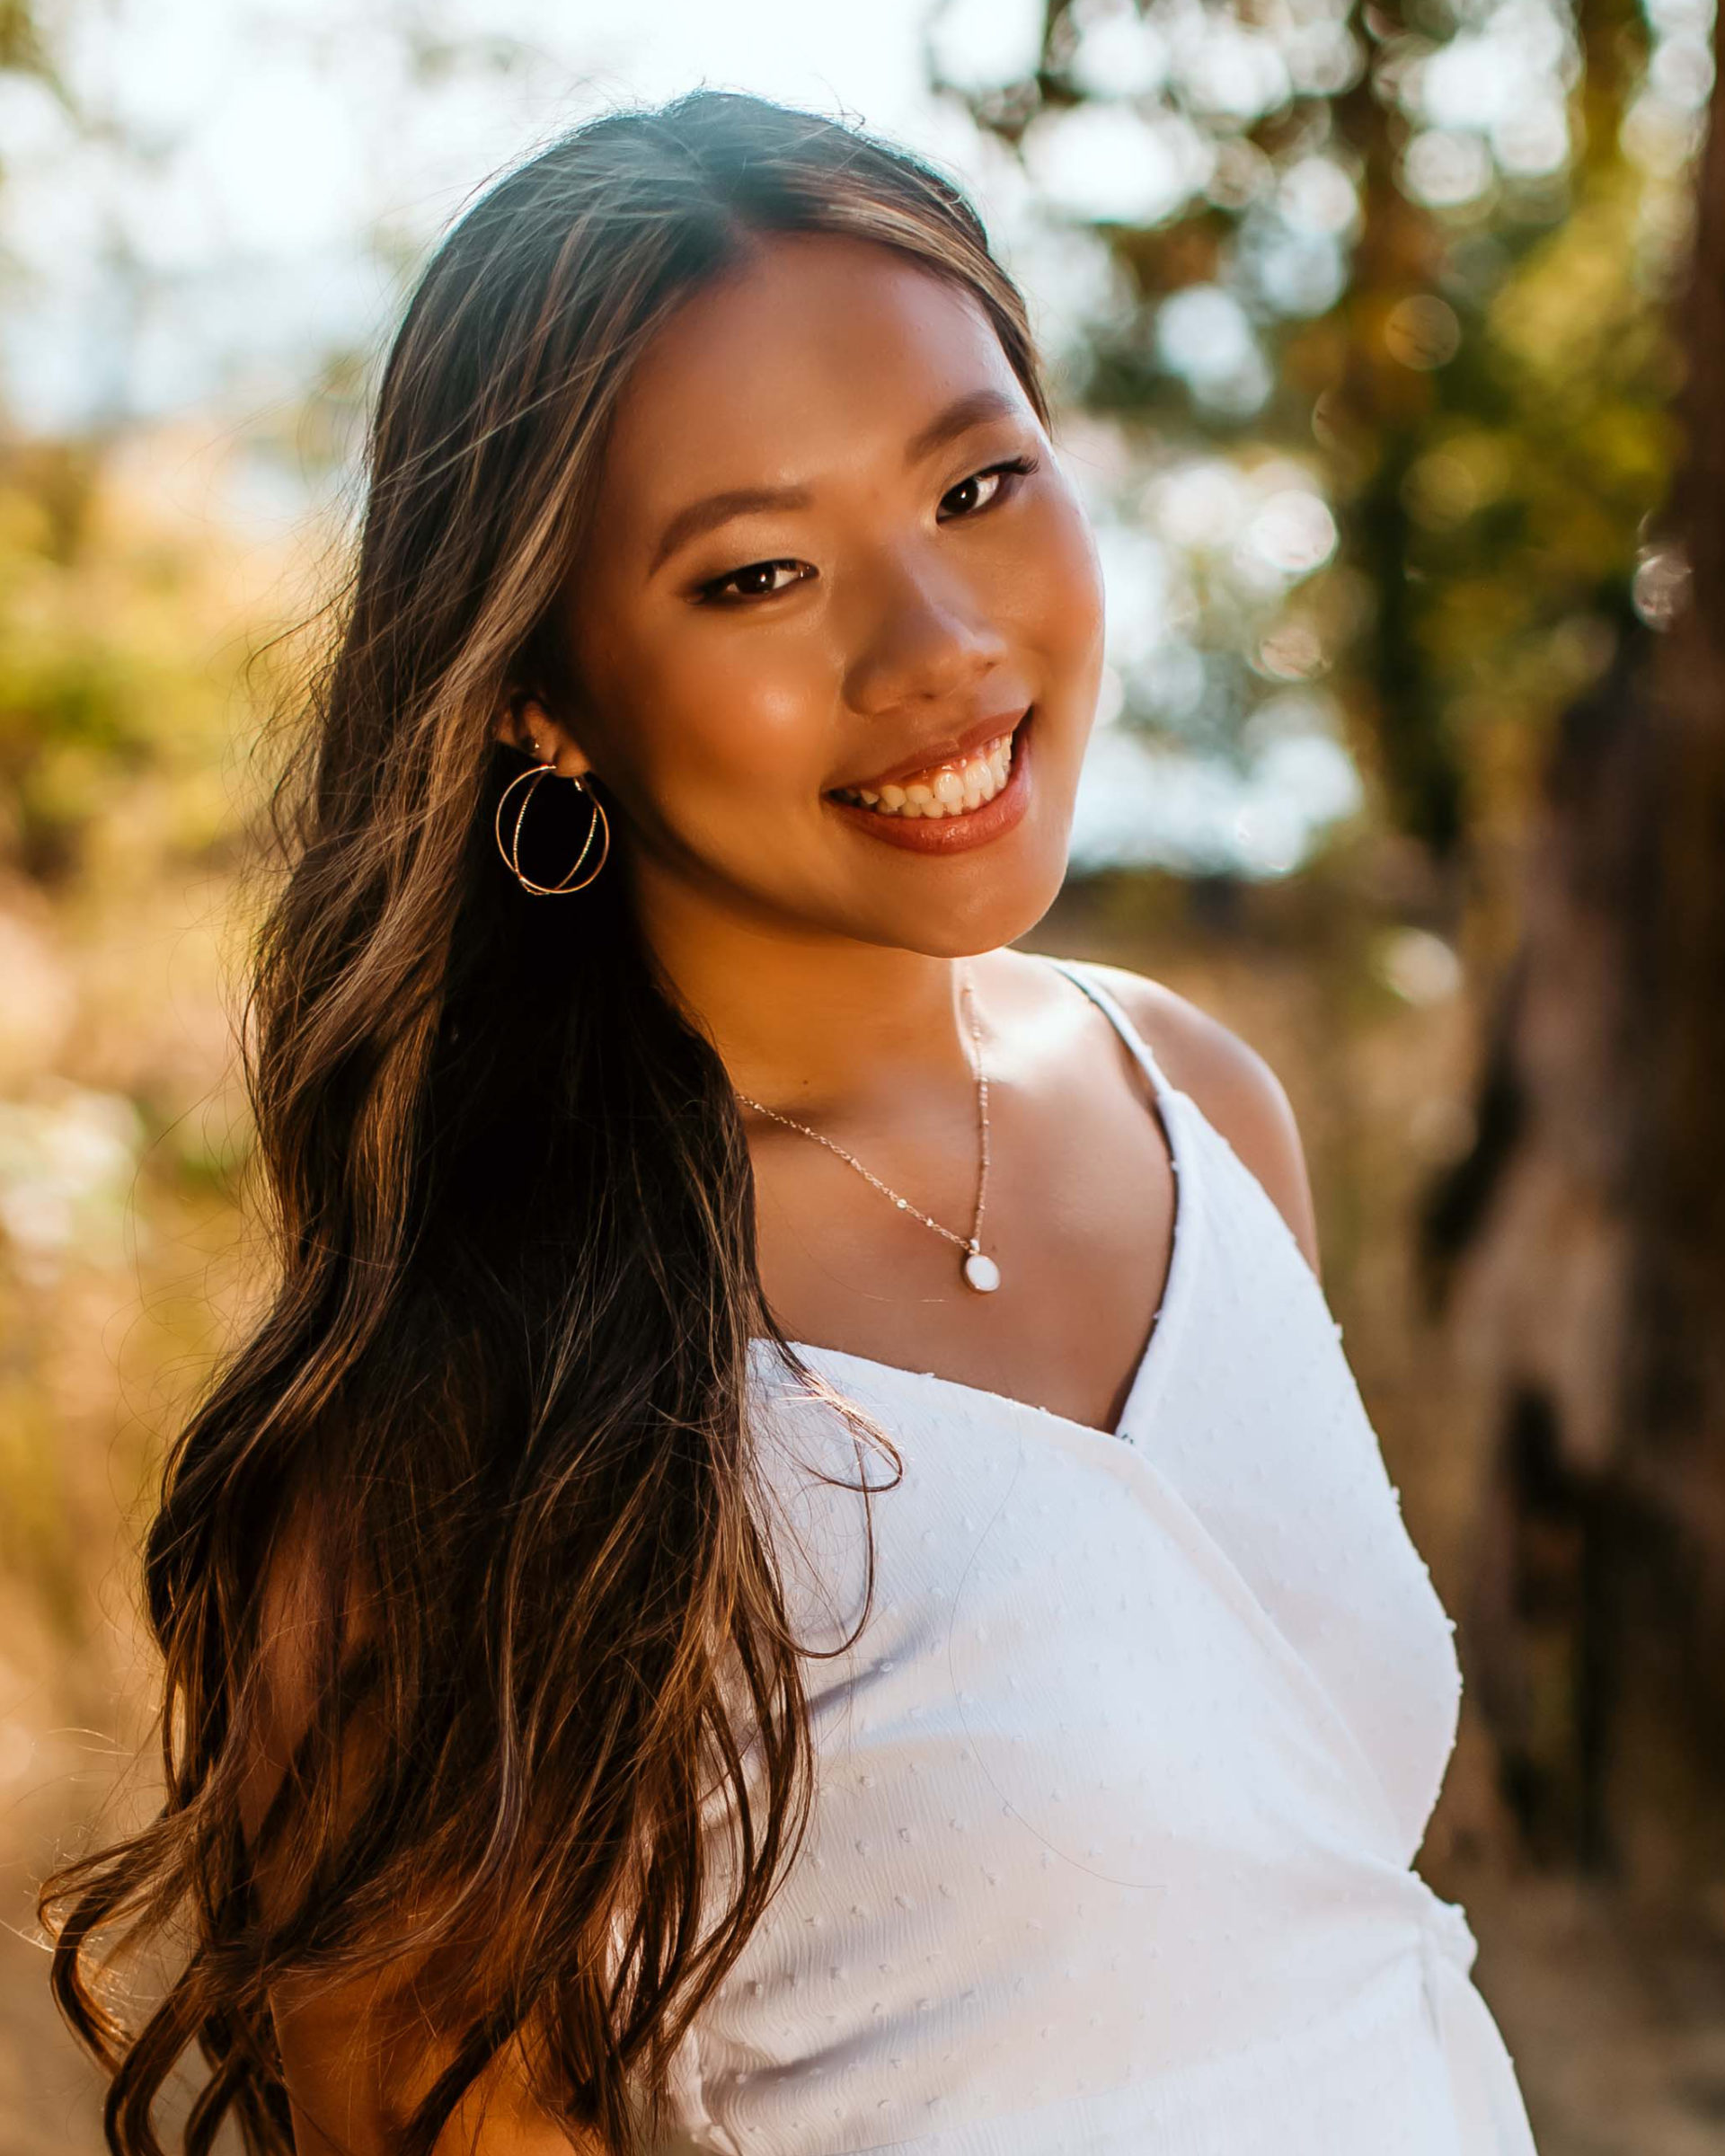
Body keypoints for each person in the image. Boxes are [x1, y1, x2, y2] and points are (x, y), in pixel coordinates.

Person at [40, 90, 1540, 2156]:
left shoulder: (1193, 1099)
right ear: (538, 695)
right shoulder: (477, 1414)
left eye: (981, 484)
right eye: (756, 574)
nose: (939, 649)